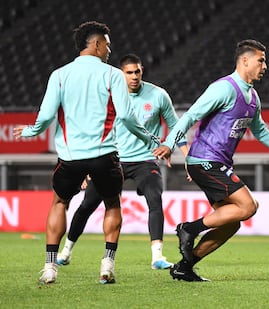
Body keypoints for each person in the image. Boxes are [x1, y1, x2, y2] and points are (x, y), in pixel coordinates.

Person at [153, 39, 269, 282]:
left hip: (219, 164)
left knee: (232, 223)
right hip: (204, 160)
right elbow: (190, 116)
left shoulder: (252, 97)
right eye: (261, 60)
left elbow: (260, 131)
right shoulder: (224, 88)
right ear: (245, 60)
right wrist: (169, 143)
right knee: (248, 207)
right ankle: (189, 228)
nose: (265, 66)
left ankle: (184, 267)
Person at [13, 22, 159, 285]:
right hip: (104, 155)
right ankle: (107, 265)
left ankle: (49, 267)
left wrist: (30, 131)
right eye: (107, 44)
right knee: (112, 203)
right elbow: (126, 116)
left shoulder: (59, 75)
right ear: (96, 44)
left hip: (71, 156)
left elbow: (46, 117)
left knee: (59, 202)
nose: (109, 50)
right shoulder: (113, 75)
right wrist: (149, 137)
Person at [57, 53, 189, 270]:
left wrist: (186, 156)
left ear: (142, 71)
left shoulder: (158, 95)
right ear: (121, 74)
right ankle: (66, 251)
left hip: (145, 161)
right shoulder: (109, 96)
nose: (134, 76)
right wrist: (86, 167)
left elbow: (176, 126)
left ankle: (157, 256)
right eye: (129, 73)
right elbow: (93, 130)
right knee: (87, 205)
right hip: (112, 160)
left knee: (154, 197)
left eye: (137, 71)